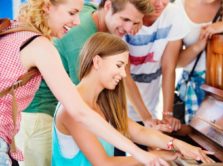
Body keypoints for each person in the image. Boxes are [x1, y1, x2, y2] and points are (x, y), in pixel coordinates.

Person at [0, 0, 170, 165]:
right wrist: (140, 153)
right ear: (46, 7)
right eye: (72, 13)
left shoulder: (18, 28)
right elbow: (80, 110)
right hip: (36, 116)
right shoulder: (43, 46)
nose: (77, 21)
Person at [52, 32, 214, 165]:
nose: (123, 74)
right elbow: (103, 163)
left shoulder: (103, 102)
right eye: (118, 65)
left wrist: (178, 145)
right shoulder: (72, 109)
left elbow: (139, 131)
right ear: (97, 61)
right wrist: (156, 155)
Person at [123, 0, 189, 132]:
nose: (160, 4)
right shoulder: (127, 15)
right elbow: (124, 75)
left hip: (149, 104)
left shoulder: (174, 14)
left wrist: (167, 115)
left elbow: (169, 68)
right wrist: (146, 118)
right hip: (118, 104)